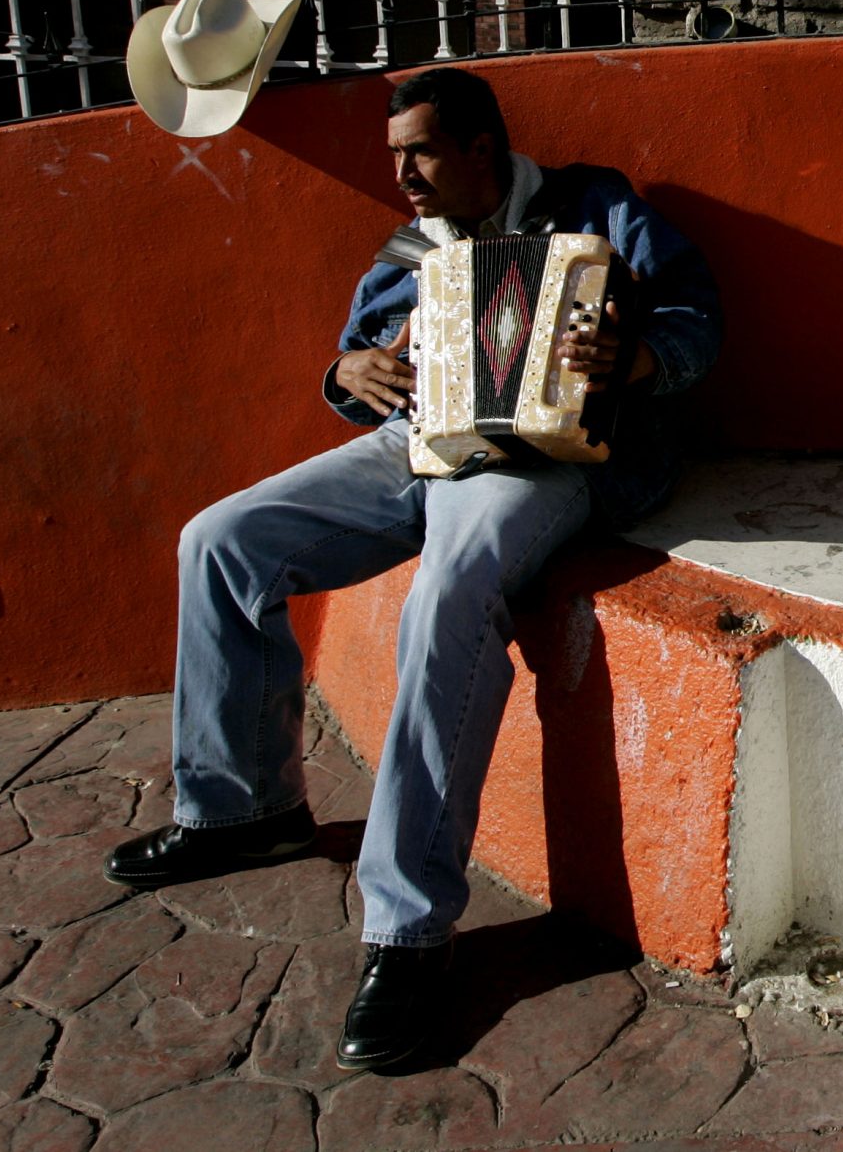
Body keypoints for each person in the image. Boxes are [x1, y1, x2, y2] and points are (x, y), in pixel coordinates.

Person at [100, 65, 723, 1072]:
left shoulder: (594, 205)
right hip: (417, 444)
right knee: (220, 539)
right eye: (395, 157)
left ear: (482, 147)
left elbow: (698, 319)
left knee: (447, 590)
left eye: (421, 152)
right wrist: (350, 372)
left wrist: (638, 361)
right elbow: (356, 358)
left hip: (546, 451)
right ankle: (242, 809)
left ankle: (406, 931)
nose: (404, 177)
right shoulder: (408, 249)